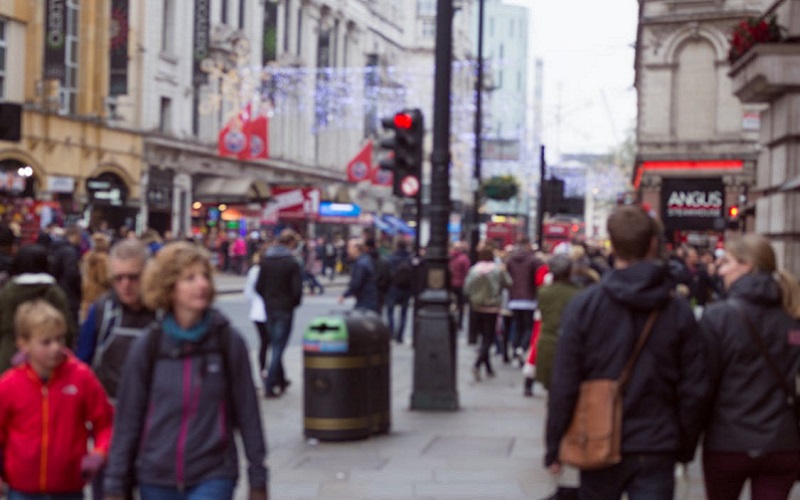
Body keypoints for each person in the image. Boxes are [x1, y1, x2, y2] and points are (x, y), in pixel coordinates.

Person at [545, 205, 707, 499]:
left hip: (597, 435)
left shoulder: (585, 306)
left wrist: (554, 442)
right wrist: (683, 443)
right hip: (657, 442)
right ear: (653, 244)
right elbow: (694, 387)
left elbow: (565, 381)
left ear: (613, 245)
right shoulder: (677, 310)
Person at [103, 242, 268, 499]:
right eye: (189, 278)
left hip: (213, 473)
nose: (201, 284)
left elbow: (248, 412)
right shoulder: (149, 345)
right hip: (156, 476)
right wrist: (115, 482)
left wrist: (258, 476)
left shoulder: (227, 341)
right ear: (170, 287)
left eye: (204, 276)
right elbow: (129, 417)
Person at [699, 234, 800, 500]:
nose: (719, 271)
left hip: (728, 442)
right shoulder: (792, 316)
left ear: (747, 266)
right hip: (783, 441)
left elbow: (703, 384)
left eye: (726, 262)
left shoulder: (718, 317)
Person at [0, 299, 114, 498]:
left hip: (69, 488)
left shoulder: (81, 377)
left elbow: (106, 423)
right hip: (22, 489)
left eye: (60, 339)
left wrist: (99, 453)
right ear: (23, 344)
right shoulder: (9, 384)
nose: (56, 348)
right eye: (46, 342)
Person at [76, 239, 155, 399]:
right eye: (118, 278)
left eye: (133, 277)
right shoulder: (101, 311)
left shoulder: (163, 312)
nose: (125, 285)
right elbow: (81, 365)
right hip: (108, 413)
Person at [0, 244, 77, 372]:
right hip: (49, 360)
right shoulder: (54, 292)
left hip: (9, 356)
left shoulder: (8, 291)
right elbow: (67, 328)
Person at [256, 229, 303, 398]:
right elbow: (297, 290)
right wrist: (292, 303)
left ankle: (280, 380)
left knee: (276, 344)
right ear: (290, 243)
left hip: (270, 308)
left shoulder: (266, 261)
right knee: (278, 346)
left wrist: (268, 299)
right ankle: (270, 384)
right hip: (285, 308)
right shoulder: (292, 263)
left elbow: (258, 286)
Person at [464, 243, 512, 381]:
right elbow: (509, 283)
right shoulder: (497, 270)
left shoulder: (474, 270)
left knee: (483, 337)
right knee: (488, 338)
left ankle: (488, 368)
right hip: (492, 307)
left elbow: (467, 288)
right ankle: (477, 364)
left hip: (477, 306)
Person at [505, 236, 542, 364]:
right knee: (528, 327)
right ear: (527, 245)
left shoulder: (510, 260)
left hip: (514, 298)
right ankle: (522, 348)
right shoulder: (533, 260)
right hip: (529, 298)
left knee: (517, 326)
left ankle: (515, 351)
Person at [49, 224, 84, 326]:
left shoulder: (58, 248)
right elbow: (72, 274)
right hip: (69, 294)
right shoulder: (71, 252)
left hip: (59, 289)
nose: (80, 240)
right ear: (74, 235)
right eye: (80, 236)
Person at [245, 249, 269, 378]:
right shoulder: (265, 272)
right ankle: (267, 370)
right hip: (267, 311)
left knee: (264, 342)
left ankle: (263, 370)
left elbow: (248, 292)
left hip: (256, 311)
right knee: (270, 343)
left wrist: (254, 301)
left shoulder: (253, 271)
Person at [339, 237, 380, 313]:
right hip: (367, 299)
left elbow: (356, 283)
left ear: (356, 248)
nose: (347, 250)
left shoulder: (361, 264)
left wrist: (345, 295)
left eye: (349, 247)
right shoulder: (364, 260)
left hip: (366, 301)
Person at [79, 232, 113, 322]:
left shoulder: (87, 256)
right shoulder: (103, 259)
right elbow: (104, 278)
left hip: (87, 292)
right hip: (100, 293)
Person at [386, 239, 414, 344]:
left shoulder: (391, 258)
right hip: (406, 289)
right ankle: (400, 336)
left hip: (393, 287)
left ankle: (391, 332)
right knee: (404, 313)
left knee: (390, 311)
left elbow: (388, 273)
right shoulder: (410, 259)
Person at [449, 241, 471, 332]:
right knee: (461, 305)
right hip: (460, 284)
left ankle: (451, 320)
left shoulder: (448, 257)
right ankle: (459, 323)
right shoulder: (464, 258)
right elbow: (467, 272)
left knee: (450, 304)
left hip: (450, 284)